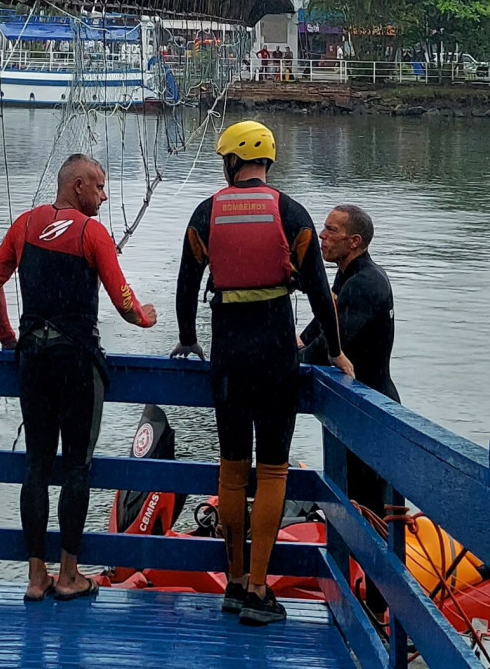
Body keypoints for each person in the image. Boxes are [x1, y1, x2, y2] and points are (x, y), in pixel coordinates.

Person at [171, 120, 351, 628]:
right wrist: (335, 352)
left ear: (231, 161)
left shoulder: (206, 213)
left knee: (232, 468)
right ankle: (257, 588)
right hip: (275, 353)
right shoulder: (291, 212)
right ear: (267, 161)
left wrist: (188, 338)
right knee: (272, 470)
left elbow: (186, 286)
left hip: (227, 353)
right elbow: (319, 290)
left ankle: (230, 582)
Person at [0, 152, 158, 602]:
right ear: (77, 186)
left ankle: (35, 576)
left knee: (37, 463)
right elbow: (122, 299)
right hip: (75, 358)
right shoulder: (91, 232)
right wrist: (145, 319)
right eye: (98, 186)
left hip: (32, 358)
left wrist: (7, 336)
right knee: (77, 463)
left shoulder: (24, 225)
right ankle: (69, 575)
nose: (103, 195)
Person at [301, 203, 398, 513]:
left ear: (354, 241)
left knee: (368, 506)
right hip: (355, 402)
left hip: (372, 405)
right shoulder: (346, 278)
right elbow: (316, 331)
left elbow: (329, 345)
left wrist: (290, 363)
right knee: (350, 494)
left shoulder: (366, 284)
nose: (322, 235)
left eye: (332, 230)